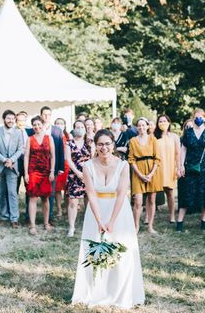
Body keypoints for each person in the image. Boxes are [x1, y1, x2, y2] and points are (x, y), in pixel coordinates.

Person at [71, 129, 145, 308]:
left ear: (113, 145)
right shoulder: (87, 166)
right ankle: (94, 290)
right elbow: (91, 194)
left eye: (107, 143)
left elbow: (121, 194)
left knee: (121, 250)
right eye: (100, 144)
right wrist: (99, 221)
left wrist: (111, 221)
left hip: (119, 212)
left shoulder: (123, 165)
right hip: (95, 212)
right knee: (93, 249)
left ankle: (120, 292)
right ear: (95, 146)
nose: (104, 147)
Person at [176, 108, 205, 232]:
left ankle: (204, 221)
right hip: (190, 167)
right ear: (193, 118)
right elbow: (183, 149)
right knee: (186, 193)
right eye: (196, 117)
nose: (198, 119)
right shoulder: (188, 133)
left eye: (201, 117)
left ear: (204, 118)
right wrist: (181, 165)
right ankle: (179, 222)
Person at [0, 110, 25, 228]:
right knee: (1, 193)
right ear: (4, 119)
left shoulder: (18, 132)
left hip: (12, 167)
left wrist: (11, 160)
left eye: (13, 119)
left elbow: (20, 149)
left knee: (12, 193)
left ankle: (14, 218)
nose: (11, 121)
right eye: (8, 118)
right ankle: (4, 216)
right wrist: (4, 160)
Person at [128, 118, 163, 234]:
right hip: (138, 171)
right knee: (138, 201)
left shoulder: (153, 139)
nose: (141, 127)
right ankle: (135, 226)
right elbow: (131, 159)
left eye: (144, 125)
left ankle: (150, 226)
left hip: (152, 171)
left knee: (152, 200)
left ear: (148, 127)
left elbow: (158, 158)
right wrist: (140, 174)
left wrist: (151, 174)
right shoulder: (133, 141)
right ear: (137, 127)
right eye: (139, 125)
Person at [24, 115, 56, 234]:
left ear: (43, 125)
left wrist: (52, 171)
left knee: (45, 198)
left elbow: (53, 156)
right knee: (32, 197)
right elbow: (26, 156)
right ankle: (32, 225)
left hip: (46, 171)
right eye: (34, 125)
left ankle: (46, 223)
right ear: (32, 126)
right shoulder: (30, 139)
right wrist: (26, 173)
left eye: (38, 124)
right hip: (33, 171)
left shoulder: (49, 138)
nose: (37, 127)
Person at [65, 120, 95, 237]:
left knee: (89, 200)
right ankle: (71, 227)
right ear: (74, 129)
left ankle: (90, 224)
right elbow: (68, 159)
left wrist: (86, 173)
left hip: (88, 175)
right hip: (74, 175)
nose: (80, 128)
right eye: (77, 127)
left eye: (82, 126)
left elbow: (93, 159)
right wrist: (78, 173)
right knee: (73, 201)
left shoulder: (90, 143)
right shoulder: (69, 143)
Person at [154, 114, 181, 223]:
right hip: (157, 167)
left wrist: (178, 168)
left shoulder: (174, 137)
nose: (162, 123)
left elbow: (178, 154)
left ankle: (172, 215)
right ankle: (150, 215)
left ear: (169, 122)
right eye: (160, 121)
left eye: (164, 121)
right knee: (153, 193)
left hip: (170, 167)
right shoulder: (154, 136)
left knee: (170, 193)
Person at [54, 117, 71, 219]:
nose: (59, 125)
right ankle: (59, 209)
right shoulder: (53, 136)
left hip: (67, 165)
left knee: (67, 189)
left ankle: (67, 208)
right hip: (57, 165)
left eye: (61, 123)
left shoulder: (68, 136)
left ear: (65, 125)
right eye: (57, 123)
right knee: (57, 189)